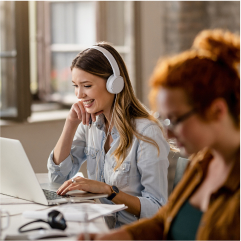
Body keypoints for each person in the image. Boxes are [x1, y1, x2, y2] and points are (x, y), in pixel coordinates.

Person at [78, 29, 240, 240]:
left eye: (175, 119)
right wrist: (119, 236)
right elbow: (165, 220)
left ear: (217, 111)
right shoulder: (202, 163)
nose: (166, 132)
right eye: (164, 119)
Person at [47, 43, 171, 228]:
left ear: (114, 83)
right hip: (100, 228)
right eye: (75, 86)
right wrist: (70, 124)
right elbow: (58, 177)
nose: (79, 95)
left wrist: (109, 191)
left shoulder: (147, 132)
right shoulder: (90, 125)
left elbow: (158, 208)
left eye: (87, 85)